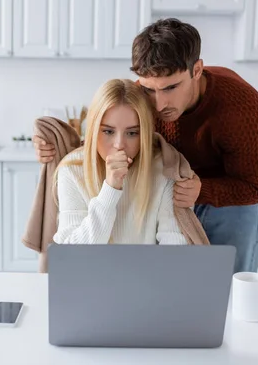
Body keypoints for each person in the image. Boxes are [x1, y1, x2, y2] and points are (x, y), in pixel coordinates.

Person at [37, 18, 258, 272]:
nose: (158, 106)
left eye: (171, 87)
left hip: (229, 201)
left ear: (197, 70)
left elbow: (255, 186)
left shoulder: (242, 106)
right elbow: (113, 134)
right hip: (172, 188)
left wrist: (202, 190)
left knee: (231, 284)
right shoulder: (141, 96)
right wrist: (56, 147)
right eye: (150, 90)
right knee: (192, 282)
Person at [52, 78, 188, 246]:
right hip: (91, 273)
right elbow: (72, 253)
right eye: (108, 131)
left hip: (147, 272)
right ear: (94, 129)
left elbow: (175, 245)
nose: (119, 144)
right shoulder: (72, 169)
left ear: (144, 134)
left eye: (132, 133)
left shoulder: (164, 169)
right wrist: (110, 188)